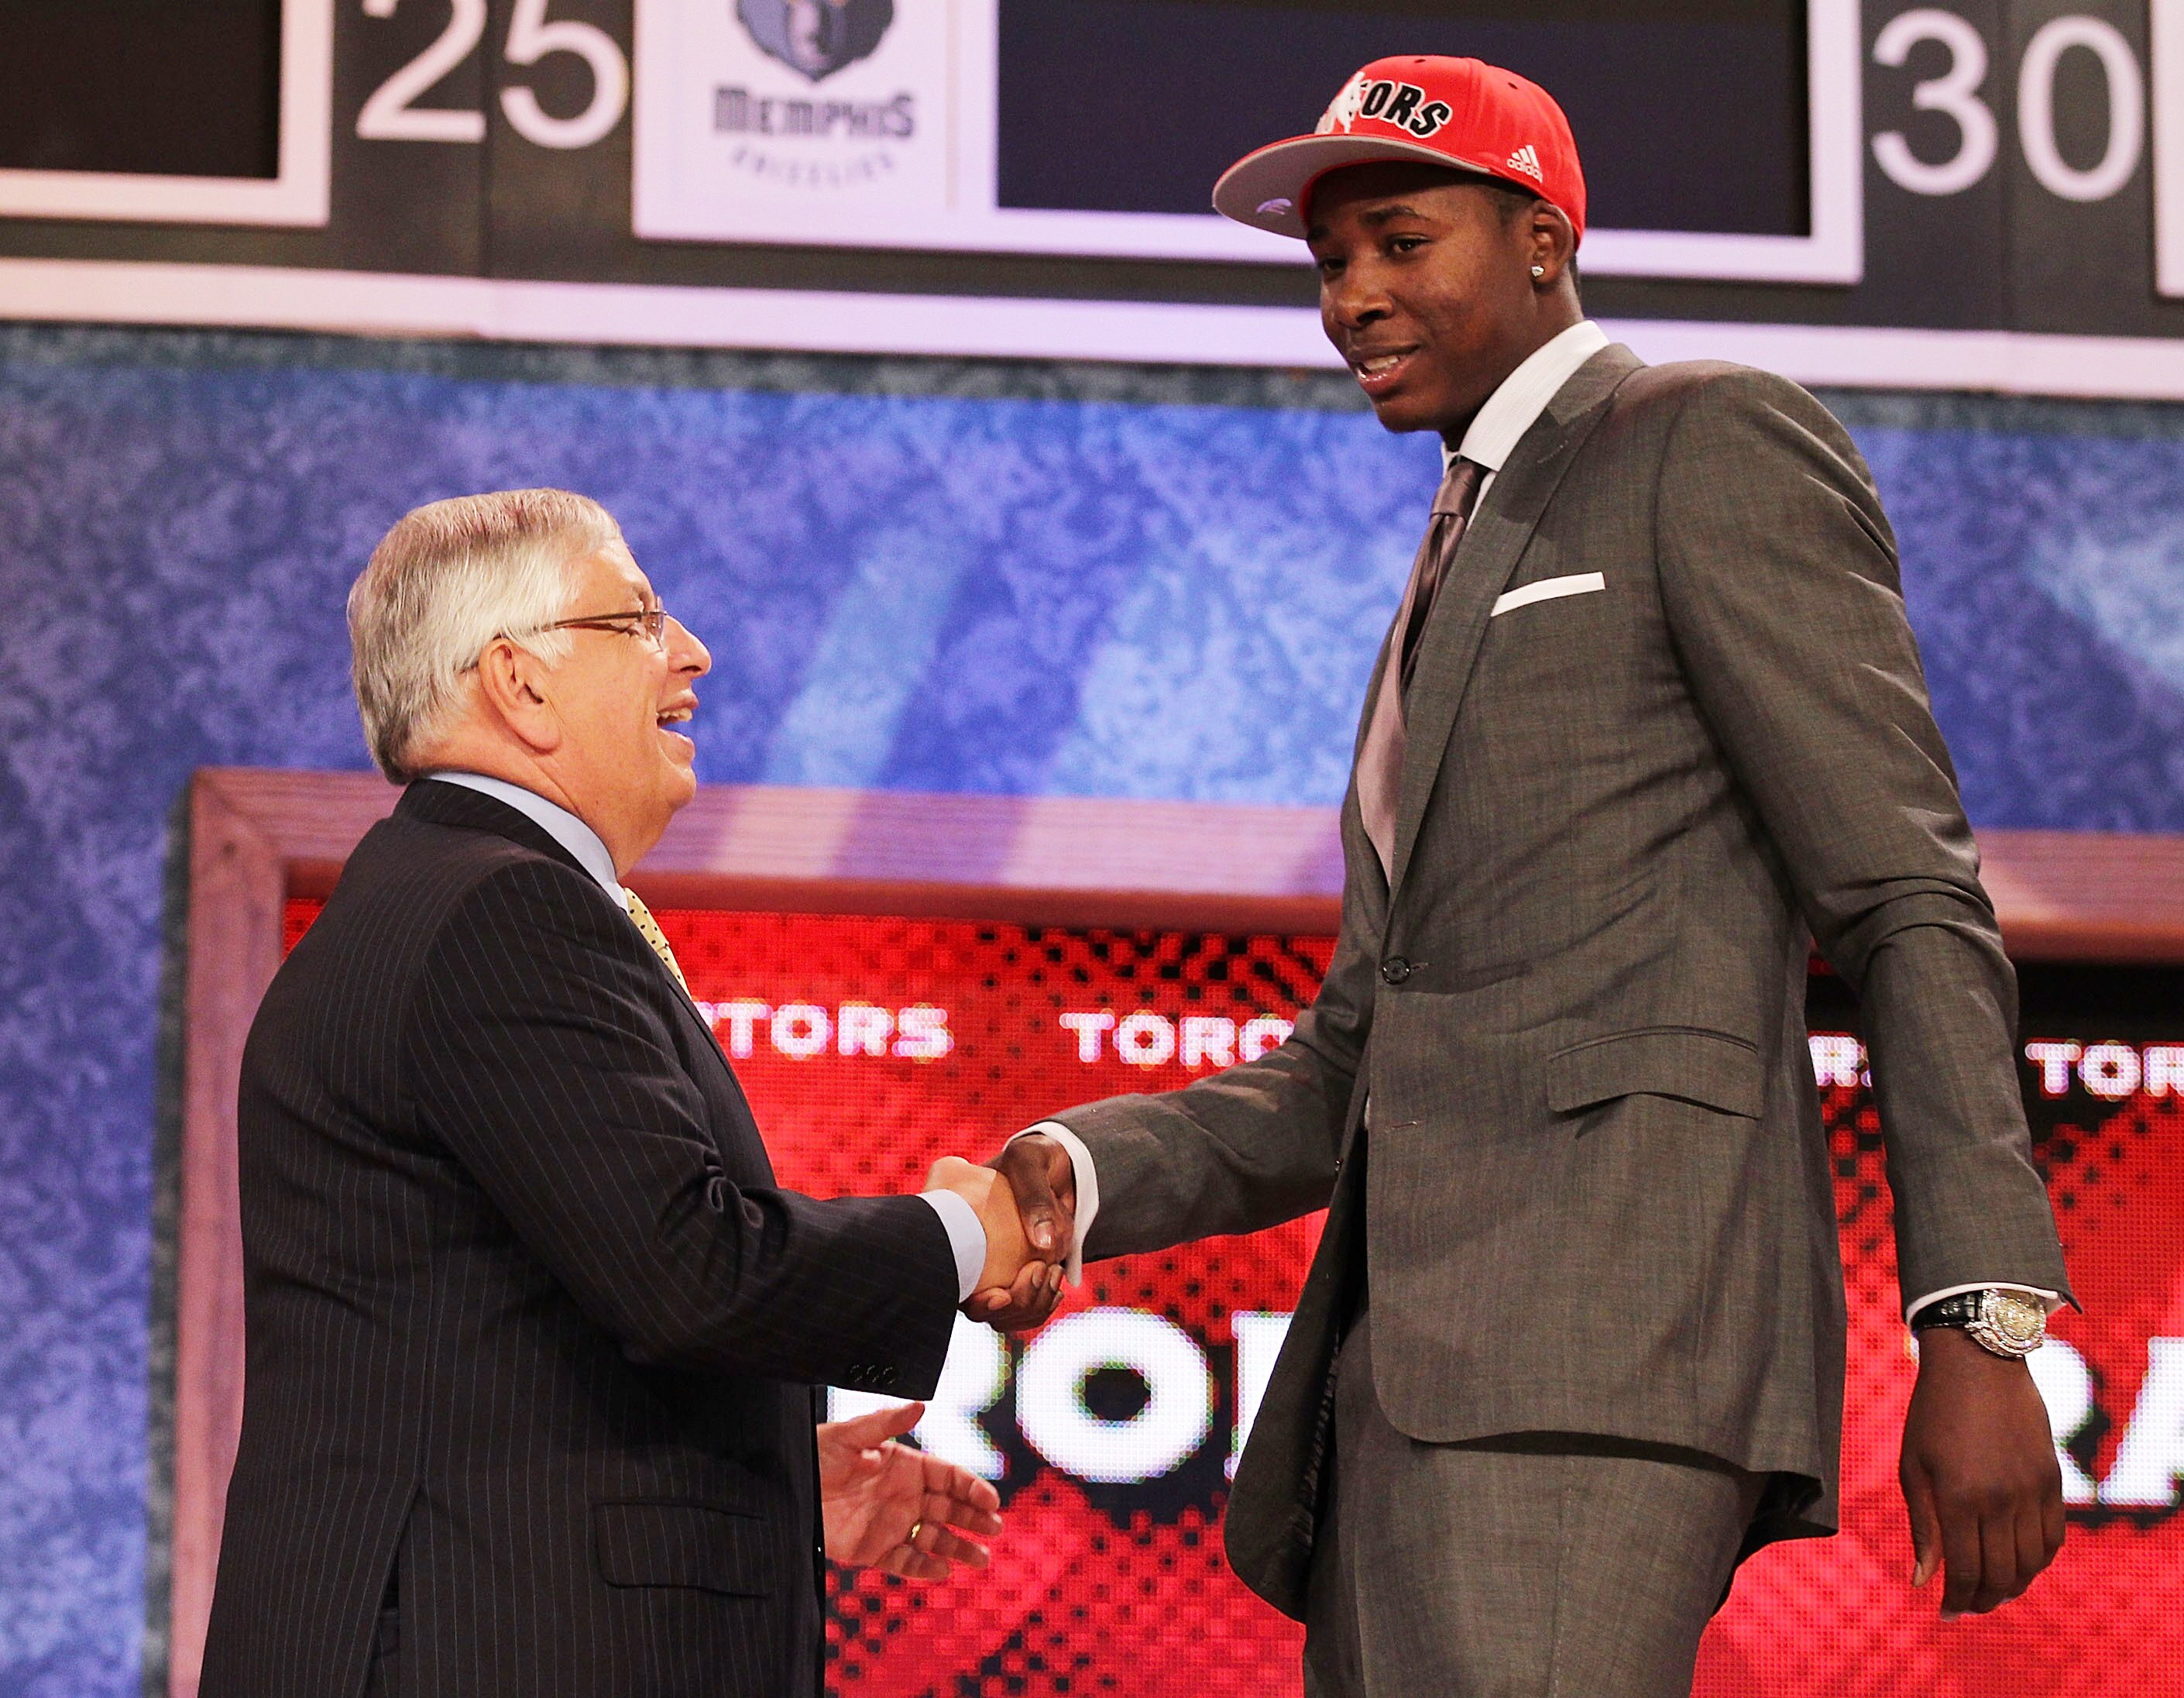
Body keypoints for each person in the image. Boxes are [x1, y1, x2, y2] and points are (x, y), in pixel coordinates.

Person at [977, 57, 2073, 1697]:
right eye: (1330, 262)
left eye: (1403, 243)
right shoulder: (1454, 548)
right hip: (1395, 1395)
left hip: (1596, 1367)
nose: (1353, 297)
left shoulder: (1705, 437)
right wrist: (1081, 1171)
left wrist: (1980, 1319)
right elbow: (1358, 1055)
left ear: (1544, 239)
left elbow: (1906, 896)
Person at [199, 490, 1047, 1697]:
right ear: (520, 683)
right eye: (638, 618)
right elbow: (689, 1269)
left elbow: (492, 1347)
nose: (691, 652)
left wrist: (766, 1491)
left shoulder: (438, 896)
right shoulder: (500, 908)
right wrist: (969, 1232)